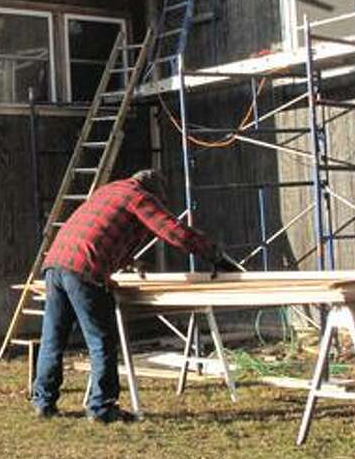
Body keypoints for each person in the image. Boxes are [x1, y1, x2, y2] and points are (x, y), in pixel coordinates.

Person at [31, 169, 232, 423]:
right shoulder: (138, 197)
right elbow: (173, 232)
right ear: (153, 193)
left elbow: (102, 233)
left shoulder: (108, 191)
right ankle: (101, 408)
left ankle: (43, 402)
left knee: (52, 340)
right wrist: (213, 254)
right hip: (84, 270)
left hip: (56, 264)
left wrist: (128, 260)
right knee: (101, 341)